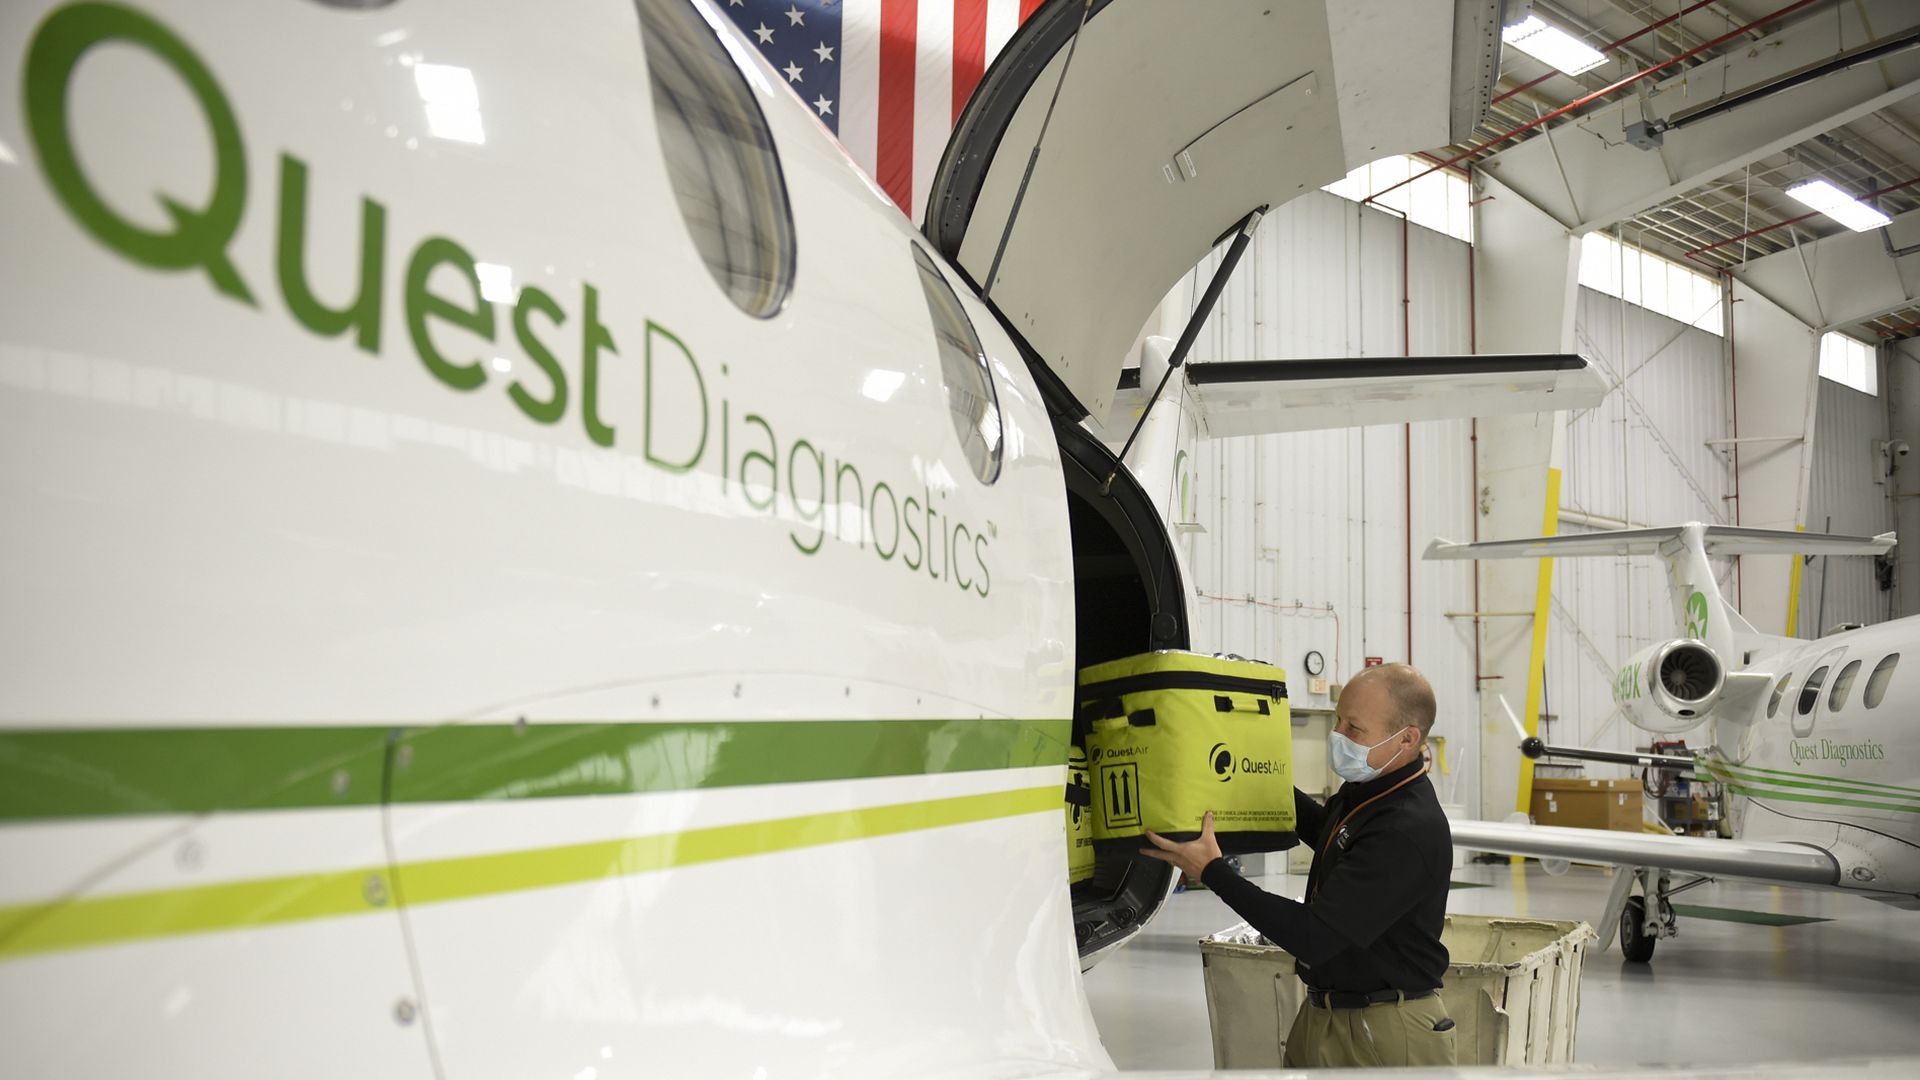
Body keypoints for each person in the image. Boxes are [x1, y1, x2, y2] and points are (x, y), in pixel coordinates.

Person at [1140, 663, 1455, 1068]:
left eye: (1355, 729)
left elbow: (1313, 936)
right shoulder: (1367, 793)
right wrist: (1249, 772)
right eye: (1338, 720)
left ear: (1408, 739)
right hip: (1325, 1013)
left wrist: (1213, 872)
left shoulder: (1406, 828)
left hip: (1387, 1029)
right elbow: (1328, 832)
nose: (1338, 735)